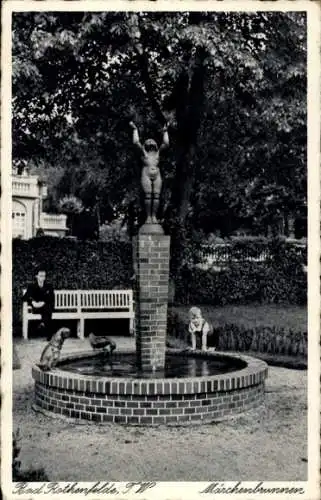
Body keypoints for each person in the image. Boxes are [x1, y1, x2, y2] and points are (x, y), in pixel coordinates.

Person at [129, 121, 169, 224]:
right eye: (149, 141)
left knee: (156, 195)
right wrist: (135, 129)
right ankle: (148, 217)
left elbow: (166, 143)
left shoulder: (158, 154)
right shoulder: (144, 153)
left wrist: (165, 131)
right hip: (146, 173)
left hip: (157, 174)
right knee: (148, 195)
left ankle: (154, 216)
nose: (151, 142)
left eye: (152, 141)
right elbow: (136, 142)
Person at [23, 268, 54, 341]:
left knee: (47, 307)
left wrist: (43, 302)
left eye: (44, 276)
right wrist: (33, 302)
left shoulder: (49, 286)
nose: (42, 278)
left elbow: (52, 298)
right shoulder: (32, 286)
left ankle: (43, 324)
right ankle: (48, 332)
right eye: (41, 276)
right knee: (47, 310)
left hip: (45, 307)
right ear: (36, 276)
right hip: (37, 308)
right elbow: (24, 298)